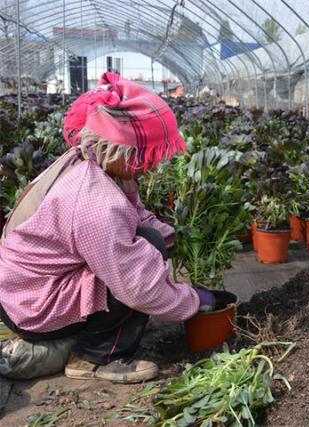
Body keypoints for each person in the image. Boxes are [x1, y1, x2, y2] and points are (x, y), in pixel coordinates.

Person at [0, 72, 218, 384]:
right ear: (122, 150)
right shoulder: (95, 201)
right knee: (143, 260)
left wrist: (173, 238)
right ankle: (95, 357)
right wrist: (192, 300)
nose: (152, 165)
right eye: (146, 156)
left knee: (152, 242)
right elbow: (138, 286)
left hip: (26, 288)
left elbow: (136, 214)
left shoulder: (93, 161)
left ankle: (95, 336)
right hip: (33, 306)